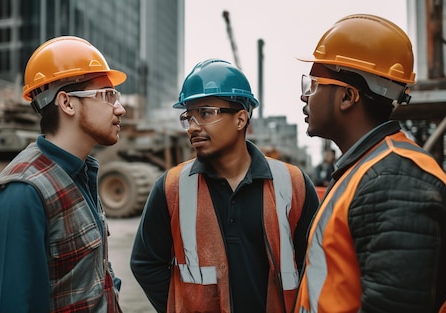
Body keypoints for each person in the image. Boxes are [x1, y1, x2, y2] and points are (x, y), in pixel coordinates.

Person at [293, 14, 446, 312]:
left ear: (347, 96)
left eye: (314, 84)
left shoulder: (394, 181)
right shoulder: (364, 169)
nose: (304, 96)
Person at [130, 59, 320, 313]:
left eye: (206, 113)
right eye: (188, 116)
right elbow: (145, 262)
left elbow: (316, 263)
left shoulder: (293, 184)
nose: (193, 127)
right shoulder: (172, 188)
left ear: (241, 119)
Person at [0, 36, 127, 313]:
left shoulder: (81, 173)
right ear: (67, 103)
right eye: (107, 95)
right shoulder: (20, 194)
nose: (120, 108)